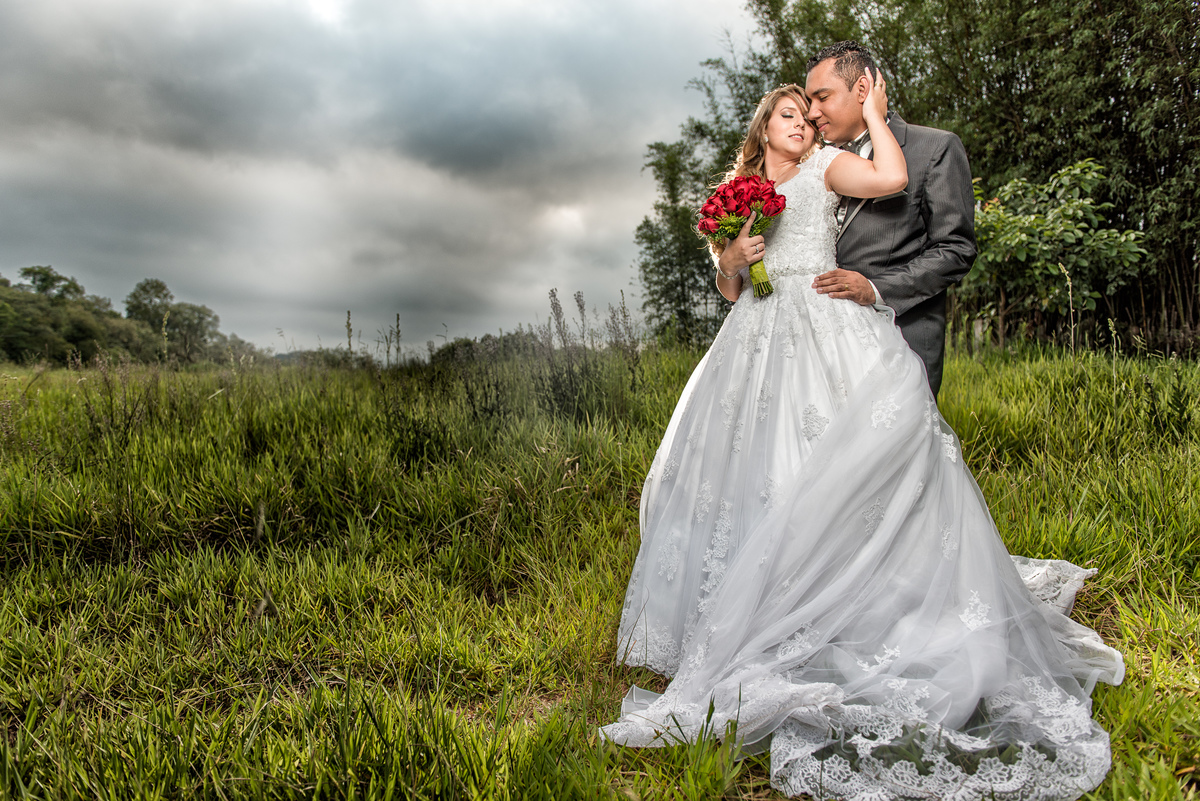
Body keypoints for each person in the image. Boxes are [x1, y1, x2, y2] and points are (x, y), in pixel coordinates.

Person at [602, 75, 1124, 801]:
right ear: (761, 128)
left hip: (825, 322)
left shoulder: (824, 170)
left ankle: (850, 599)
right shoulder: (736, 188)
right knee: (752, 472)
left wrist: (874, 114)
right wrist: (734, 255)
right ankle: (744, 603)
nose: (805, 123)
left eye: (810, 114)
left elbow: (893, 175)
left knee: (836, 465)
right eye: (790, 113)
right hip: (753, 341)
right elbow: (729, 289)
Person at [720, 41, 976, 398]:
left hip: (902, 330)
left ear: (862, 90)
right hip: (813, 345)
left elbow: (956, 250)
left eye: (821, 97)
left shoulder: (934, 149)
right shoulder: (813, 164)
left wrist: (874, 289)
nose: (811, 113)